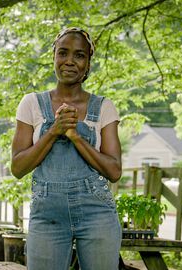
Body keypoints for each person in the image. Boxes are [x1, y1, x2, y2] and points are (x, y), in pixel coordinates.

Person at [11, 27, 122, 270]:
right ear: (54, 57)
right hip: (47, 215)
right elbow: (18, 167)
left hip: (97, 214)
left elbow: (114, 171)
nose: (70, 61)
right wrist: (54, 131)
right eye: (63, 53)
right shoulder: (31, 103)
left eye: (79, 55)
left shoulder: (104, 107)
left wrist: (75, 136)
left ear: (88, 63)